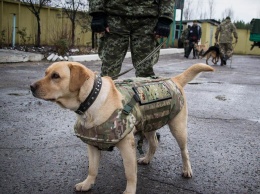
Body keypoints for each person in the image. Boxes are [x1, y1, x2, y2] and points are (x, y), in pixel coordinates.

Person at [89, 0, 174, 78]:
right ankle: (106, 93)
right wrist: (97, 13)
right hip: (114, 16)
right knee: (109, 70)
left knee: (146, 70)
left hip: (147, 18)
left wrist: (165, 18)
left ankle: (143, 94)